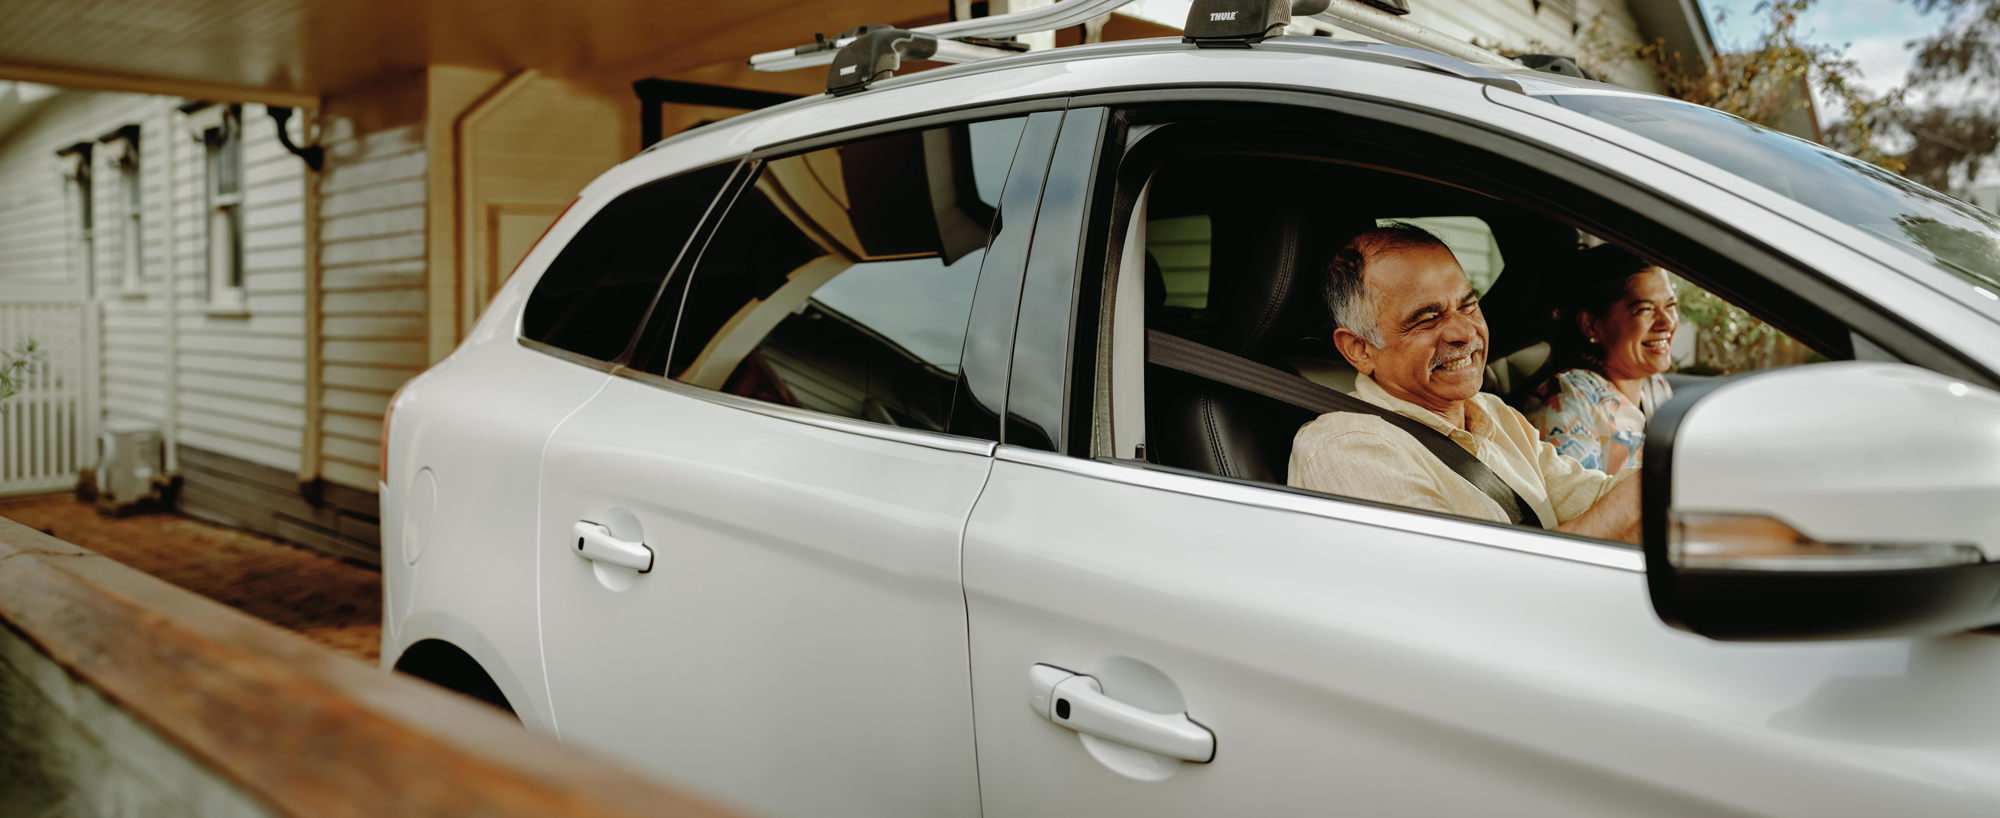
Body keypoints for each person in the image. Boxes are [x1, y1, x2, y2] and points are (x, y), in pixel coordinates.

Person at [1287, 223, 1641, 542]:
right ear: (1360, 350)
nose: (1464, 332)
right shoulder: (1348, 449)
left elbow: (1594, 499)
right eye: (1426, 319)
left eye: (1469, 306)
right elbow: (1464, 593)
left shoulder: (1491, 413)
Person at [1522, 246, 1678, 474]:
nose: (1667, 323)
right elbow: (1579, 506)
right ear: (1590, 324)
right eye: (1644, 309)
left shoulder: (1655, 385)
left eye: (1670, 306)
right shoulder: (1566, 401)